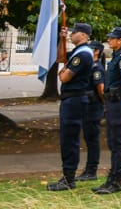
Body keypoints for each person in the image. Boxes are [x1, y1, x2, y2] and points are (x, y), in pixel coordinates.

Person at [48, 22, 96, 191]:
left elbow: (65, 77)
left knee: (70, 139)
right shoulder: (77, 51)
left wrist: (62, 72)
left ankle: (69, 179)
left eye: (74, 32)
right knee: (66, 138)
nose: (71, 34)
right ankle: (67, 176)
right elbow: (61, 58)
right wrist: (62, 40)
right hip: (71, 100)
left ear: (83, 35)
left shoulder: (83, 54)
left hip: (75, 100)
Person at [94, 26, 121, 195]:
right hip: (113, 103)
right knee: (113, 143)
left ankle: (116, 181)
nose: (109, 40)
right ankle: (111, 179)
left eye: (112, 38)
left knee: (118, 144)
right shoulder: (117, 56)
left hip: (119, 104)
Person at [77, 40, 106, 182]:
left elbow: (100, 88)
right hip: (87, 106)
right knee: (88, 138)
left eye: (90, 48)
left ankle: (91, 170)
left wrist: (104, 105)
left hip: (93, 107)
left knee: (92, 139)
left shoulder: (97, 68)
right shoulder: (90, 66)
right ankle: (89, 169)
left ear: (97, 51)